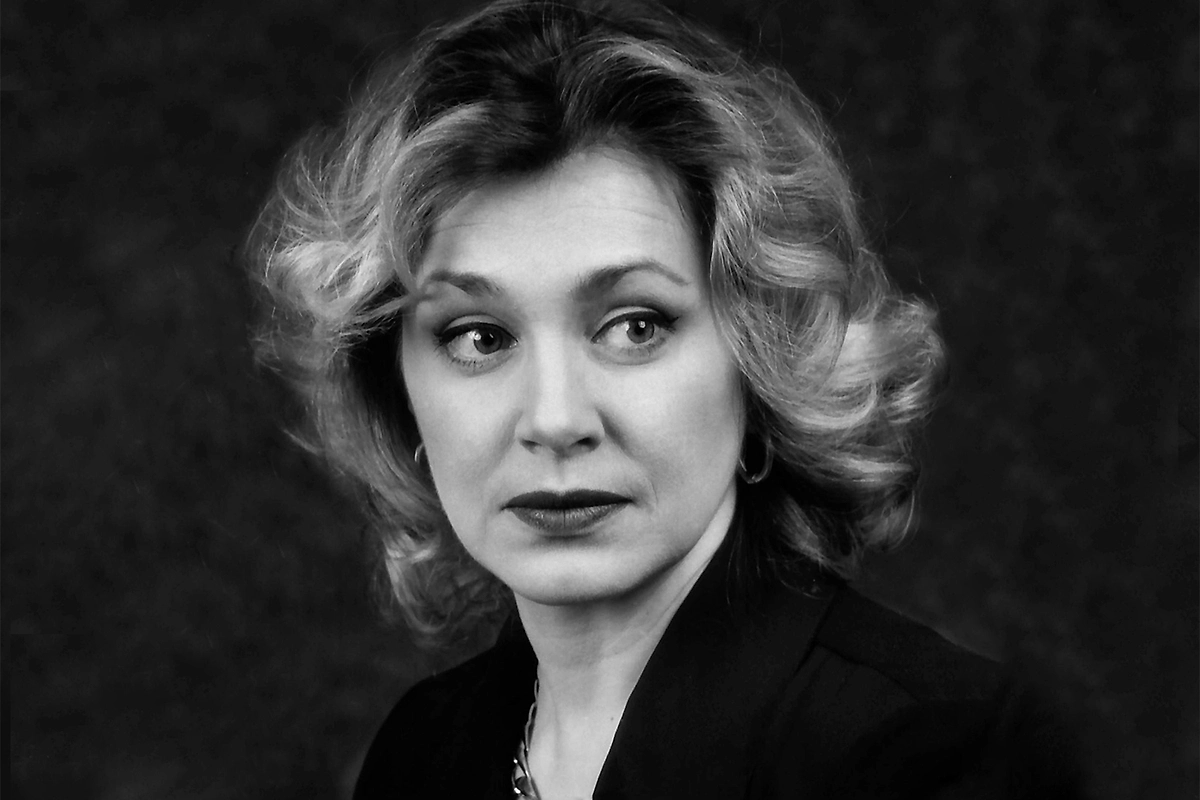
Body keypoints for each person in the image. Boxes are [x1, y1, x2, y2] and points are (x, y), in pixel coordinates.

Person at [250, 1, 1081, 797]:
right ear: (399, 395)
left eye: (634, 326)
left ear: (761, 361)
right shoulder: (423, 754)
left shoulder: (933, 756)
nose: (555, 420)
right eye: (479, 337)